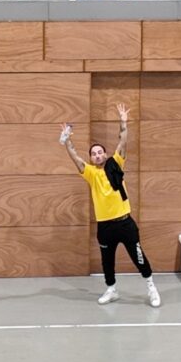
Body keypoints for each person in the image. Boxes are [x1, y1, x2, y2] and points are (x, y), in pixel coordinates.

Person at [60, 106, 157, 308]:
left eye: (100, 152)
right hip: (105, 226)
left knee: (138, 256)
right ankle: (111, 289)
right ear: (91, 158)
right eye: (93, 154)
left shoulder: (116, 163)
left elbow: (123, 140)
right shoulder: (90, 173)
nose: (97, 155)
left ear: (105, 154)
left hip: (125, 223)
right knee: (107, 261)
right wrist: (67, 140)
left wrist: (123, 121)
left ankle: (151, 287)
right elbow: (75, 157)